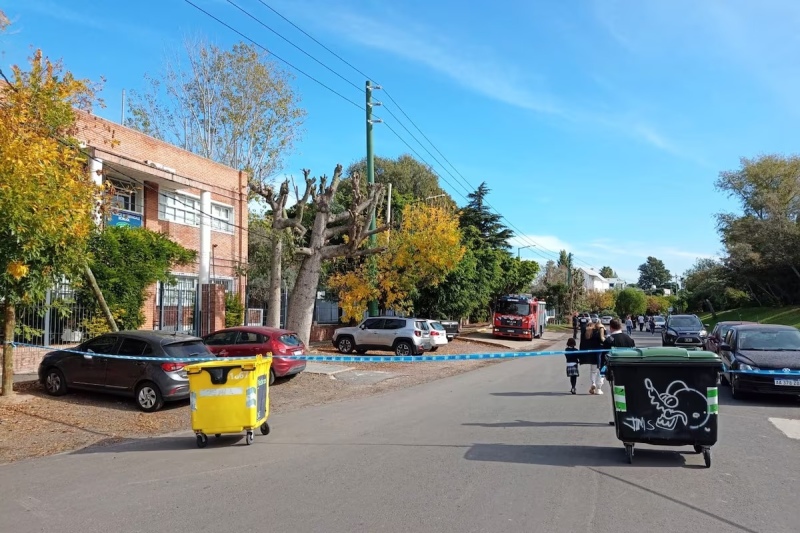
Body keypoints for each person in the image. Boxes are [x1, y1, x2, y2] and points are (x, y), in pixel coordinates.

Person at [604, 318, 636, 425]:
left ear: (611, 327)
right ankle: (630, 416)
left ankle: (619, 418)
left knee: (617, 395)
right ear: (621, 326)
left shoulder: (609, 340)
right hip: (628, 370)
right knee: (628, 394)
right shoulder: (629, 339)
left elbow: (605, 356)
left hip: (615, 371)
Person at [580, 317, 606, 395]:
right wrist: (603, 328)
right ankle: (599, 388)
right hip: (600, 354)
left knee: (593, 371)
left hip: (591, 355)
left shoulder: (587, 332)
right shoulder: (599, 331)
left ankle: (593, 383)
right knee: (601, 370)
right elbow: (604, 340)